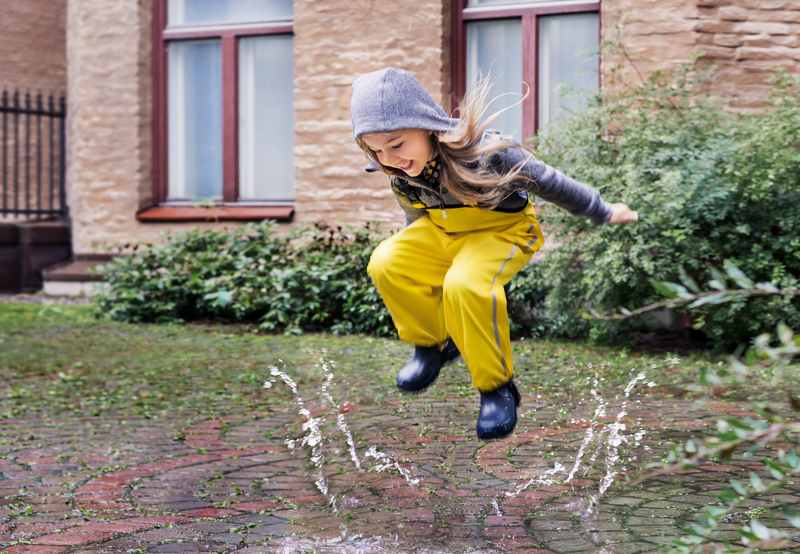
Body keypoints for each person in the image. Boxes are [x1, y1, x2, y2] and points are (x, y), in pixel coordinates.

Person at [349, 67, 638, 440]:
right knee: (387, 262)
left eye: (397, 144)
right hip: (442, 230)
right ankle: (433, 347)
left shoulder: (488, 153)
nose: (390, 158)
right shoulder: (400, 172)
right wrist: (416, 270)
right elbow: (415, 219)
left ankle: (496, 388)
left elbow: (551, 183)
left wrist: (602, 210)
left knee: (465, 284)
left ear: (426, 125)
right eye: (377, 150)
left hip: (503, 231)